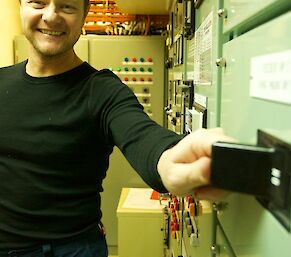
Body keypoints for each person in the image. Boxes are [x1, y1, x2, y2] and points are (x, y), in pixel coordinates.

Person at [0, 0, 233, 256]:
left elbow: (141, 134)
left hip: (75, 248)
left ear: (84, 14)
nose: (51, 16)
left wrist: (169, 158)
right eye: (38, 3)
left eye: (67, 6)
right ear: (21, 6)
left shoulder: (102, 90)